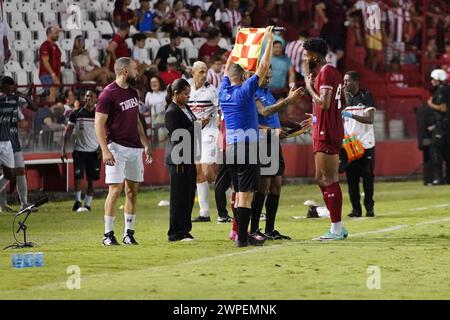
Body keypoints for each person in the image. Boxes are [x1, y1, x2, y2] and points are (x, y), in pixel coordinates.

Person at [219, 26, 274, 247]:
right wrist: (268, 39)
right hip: (248, 146)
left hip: (231, 148)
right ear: (243, 76)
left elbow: (226, 69)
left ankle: (241, 235)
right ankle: (242, 237)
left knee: (237, 192)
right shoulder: (245, 90)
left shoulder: (223, 91)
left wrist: (238, 46)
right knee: (246, 196)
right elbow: (263, 67)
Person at [95, 57, 152, 246]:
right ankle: (108, 234)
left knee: (132, 192)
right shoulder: (107, 94)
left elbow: (136, 121)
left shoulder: (133, 93)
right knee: (115, 189)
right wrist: (105, 150)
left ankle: (129, 233)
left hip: (134, 147)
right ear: (125, 71)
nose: (138, 73)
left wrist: (145, 143)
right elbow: (98, 124)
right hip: (116, 147)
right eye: (135, 69)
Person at [250, 68, 305, 239]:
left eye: (270, 77)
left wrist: (297, 125)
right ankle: (254, 229)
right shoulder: (253, 93)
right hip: (262, 142)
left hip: (274, 142)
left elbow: (274, 117)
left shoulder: (268, 93)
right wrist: (288, 100)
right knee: (263, 186)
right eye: (265, 76)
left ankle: (270, 229)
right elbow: (264, 113)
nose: (268, 79)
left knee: (276, 185)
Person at [303, 38, 348, 241]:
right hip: (322, 128)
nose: (304, 59)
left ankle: (336, 228)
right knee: (320, 178)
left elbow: (325, 103)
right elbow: (343, 102)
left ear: (314, 56)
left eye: (305, 55)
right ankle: (336, 224)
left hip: (327, 132)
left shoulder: (327, 72)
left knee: (329, 179)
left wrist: (308, 85)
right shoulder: (330, 73)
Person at [164, 78, 210, 241]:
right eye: (185, 94)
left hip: (189, 155)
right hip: (178, 158)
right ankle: (175, 232)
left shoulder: (185, 108)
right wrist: (198, 125)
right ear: (175, 94)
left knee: (189, 194)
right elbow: (177, 136)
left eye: (189, 94)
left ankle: (185, 229)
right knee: (179, 196)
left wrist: (200, 124)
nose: (188, 97)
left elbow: (190, 130)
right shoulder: (171, 112)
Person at [187, 61, 220, 223]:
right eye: (200, 72)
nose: (204, 75)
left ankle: (227, 189)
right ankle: (204, 212)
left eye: (205, 71)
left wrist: (216, 122)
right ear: (192, 73)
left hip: (209, 133)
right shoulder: (186, 88)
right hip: (193, 134)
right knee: (199, 172)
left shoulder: (212, 91)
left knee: (206, 170)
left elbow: (220, 110)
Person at [341, 71, 376, 218]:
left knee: (367, 177)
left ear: (355, 81)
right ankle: (356, 209)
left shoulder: (365, 96)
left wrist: (350, 115)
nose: (344, 84)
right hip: (350, 145)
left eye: (347, 81)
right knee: (351, 179)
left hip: (366, 143)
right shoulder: (343, 99)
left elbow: (370, 119)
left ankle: (369, 208)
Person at [0, 76, 37, 211]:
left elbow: (34, 108)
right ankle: (3, 205)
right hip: (3, 140)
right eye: (9, 89)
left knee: (19, 171)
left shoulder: (15, 102)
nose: (11, 91)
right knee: (5, 172)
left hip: (12, 141)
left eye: (13, 89)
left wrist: (24, 97)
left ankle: (24, 203)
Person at [62, 90, 101, 213]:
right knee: (78, 177)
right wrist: (63, 148)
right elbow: (68, 131)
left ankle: (88, 204)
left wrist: (103, 148)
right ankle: (78, 201)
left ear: (96, 99)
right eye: (86, 95)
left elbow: (106, 132)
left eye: (91, 96)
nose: (88, 98)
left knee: (91, 179)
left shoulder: (99, 114)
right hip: (79, 151)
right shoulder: (76, 113)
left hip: (95, 152)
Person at [427, 69, 450, 185]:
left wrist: (431, 104)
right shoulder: (446, 89)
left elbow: (443, 108)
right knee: (447, 151)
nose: (431, 81)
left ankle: (438, 178)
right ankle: (448, 178)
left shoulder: (442, 90)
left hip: (443, 126)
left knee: (435, 149)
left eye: (433, 79)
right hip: (445, 125)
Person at [39, 26, 63, 104]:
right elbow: (45, 61)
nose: (57, 35)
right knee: (52, 92)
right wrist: (53, 75)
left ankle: (50, 112)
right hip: (47, 74)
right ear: (49, 34)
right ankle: (50, 114)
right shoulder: (45, 45)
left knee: (53, 95)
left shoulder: (55, 46)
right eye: (55, 33)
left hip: (54, 75)